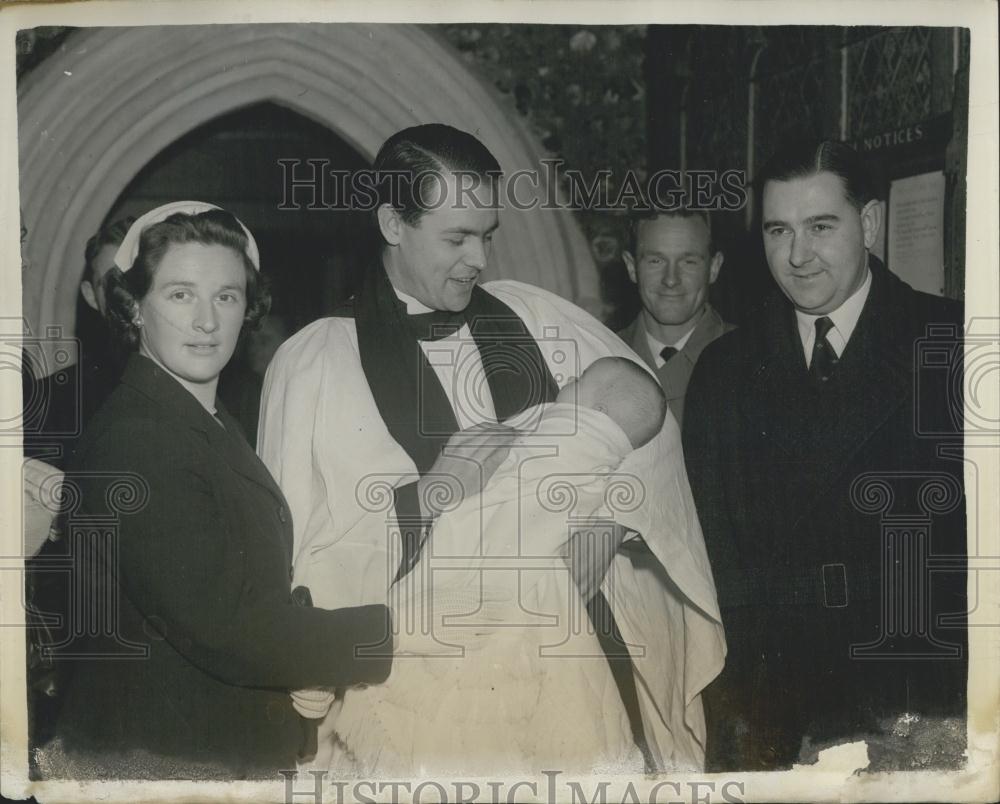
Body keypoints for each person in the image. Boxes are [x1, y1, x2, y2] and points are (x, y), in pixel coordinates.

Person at [258, 124, 725, 773]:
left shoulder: (534, 317)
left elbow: (649, 430)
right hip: (412, 684)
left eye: (487, 235)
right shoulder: (315, 362)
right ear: (394, 221)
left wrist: (608, 524)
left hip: (563, 667)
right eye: (456, 237)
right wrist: (426, 501)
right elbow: (296, 555)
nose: (478, 258)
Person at [48, 202, 392, 779]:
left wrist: (302, 665)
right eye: (181, 295)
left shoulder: (201, 418)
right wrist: (390, 634)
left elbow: (238, 583)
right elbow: (229, 627)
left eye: (226, 297)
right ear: (134, 307)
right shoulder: (138, 438)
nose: (207, 320)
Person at [683, 140, 967, 770]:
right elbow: (715, 565)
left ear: (868, 224)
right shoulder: (725, 371)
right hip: (776, 717)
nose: (797, 255)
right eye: (779, 230)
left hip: (918, 712)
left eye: (821, 227)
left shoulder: (953, 346)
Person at [299, 357, 667, 775]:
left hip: (496, 573)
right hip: (519, 594)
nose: (566, 380)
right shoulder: (590, 449)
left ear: (597, 416)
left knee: (427, 629)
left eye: (581, 381)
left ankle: (330, 662)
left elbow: (515, 485)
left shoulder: (569, 438)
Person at [617, 209, 734, 428]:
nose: (671, 279)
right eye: (655, 261)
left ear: (714, 267)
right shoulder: (600, 352)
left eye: (688, 262)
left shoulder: (752, 358)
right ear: (632, 267)